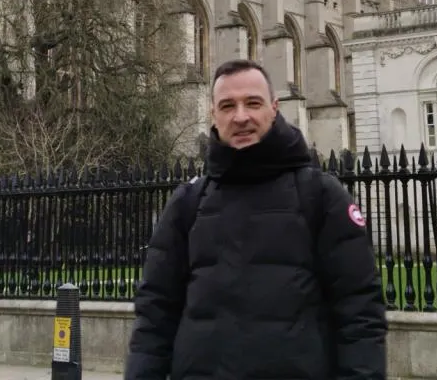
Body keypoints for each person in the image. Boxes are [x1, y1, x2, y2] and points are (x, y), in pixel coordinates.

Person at [125, 59, 387, 380]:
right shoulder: (187, 204)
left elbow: (360, 314)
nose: (241, 116)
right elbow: (155, 316)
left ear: (274, 108)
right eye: (227, 105)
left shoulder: (321, 196)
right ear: (213, 115)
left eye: (253, 103)